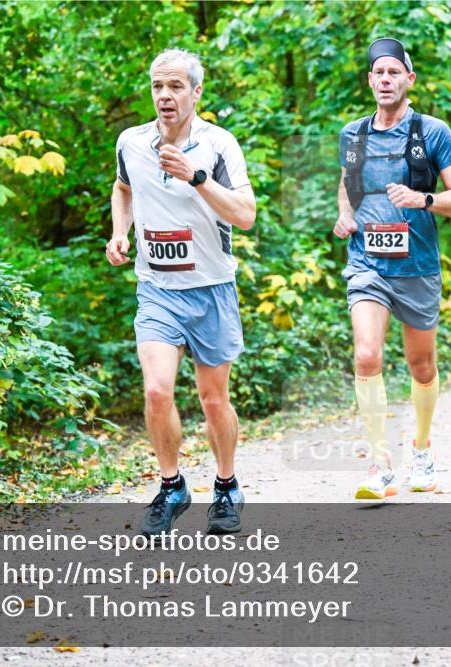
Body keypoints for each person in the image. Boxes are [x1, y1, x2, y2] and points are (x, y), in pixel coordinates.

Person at [106, 49, 256, 536]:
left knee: (214, 401)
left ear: (196, 92)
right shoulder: (131, 142)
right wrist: (120, 232)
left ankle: (227, 486)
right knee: (155, 390)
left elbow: (245, 214)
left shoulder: (218, 144)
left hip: (211, 289)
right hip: (157, 289)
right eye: (157, 86)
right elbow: (123, 188)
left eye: (175, 87)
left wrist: (195, 177)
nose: (165, 96)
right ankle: (172, 487)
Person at [333, 37, 451, 500]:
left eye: (395, 72)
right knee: (367, 356)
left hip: (417, 267)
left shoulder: (432, 132)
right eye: (379, 72)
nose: (386, 79)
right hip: (367, 262)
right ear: (369, 80)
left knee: (421, 364)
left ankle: (422, 448)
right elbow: (346, 186)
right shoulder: (353, 134)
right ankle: (379, 462)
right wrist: (345, 214)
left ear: (409, 80)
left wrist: (423, 199)